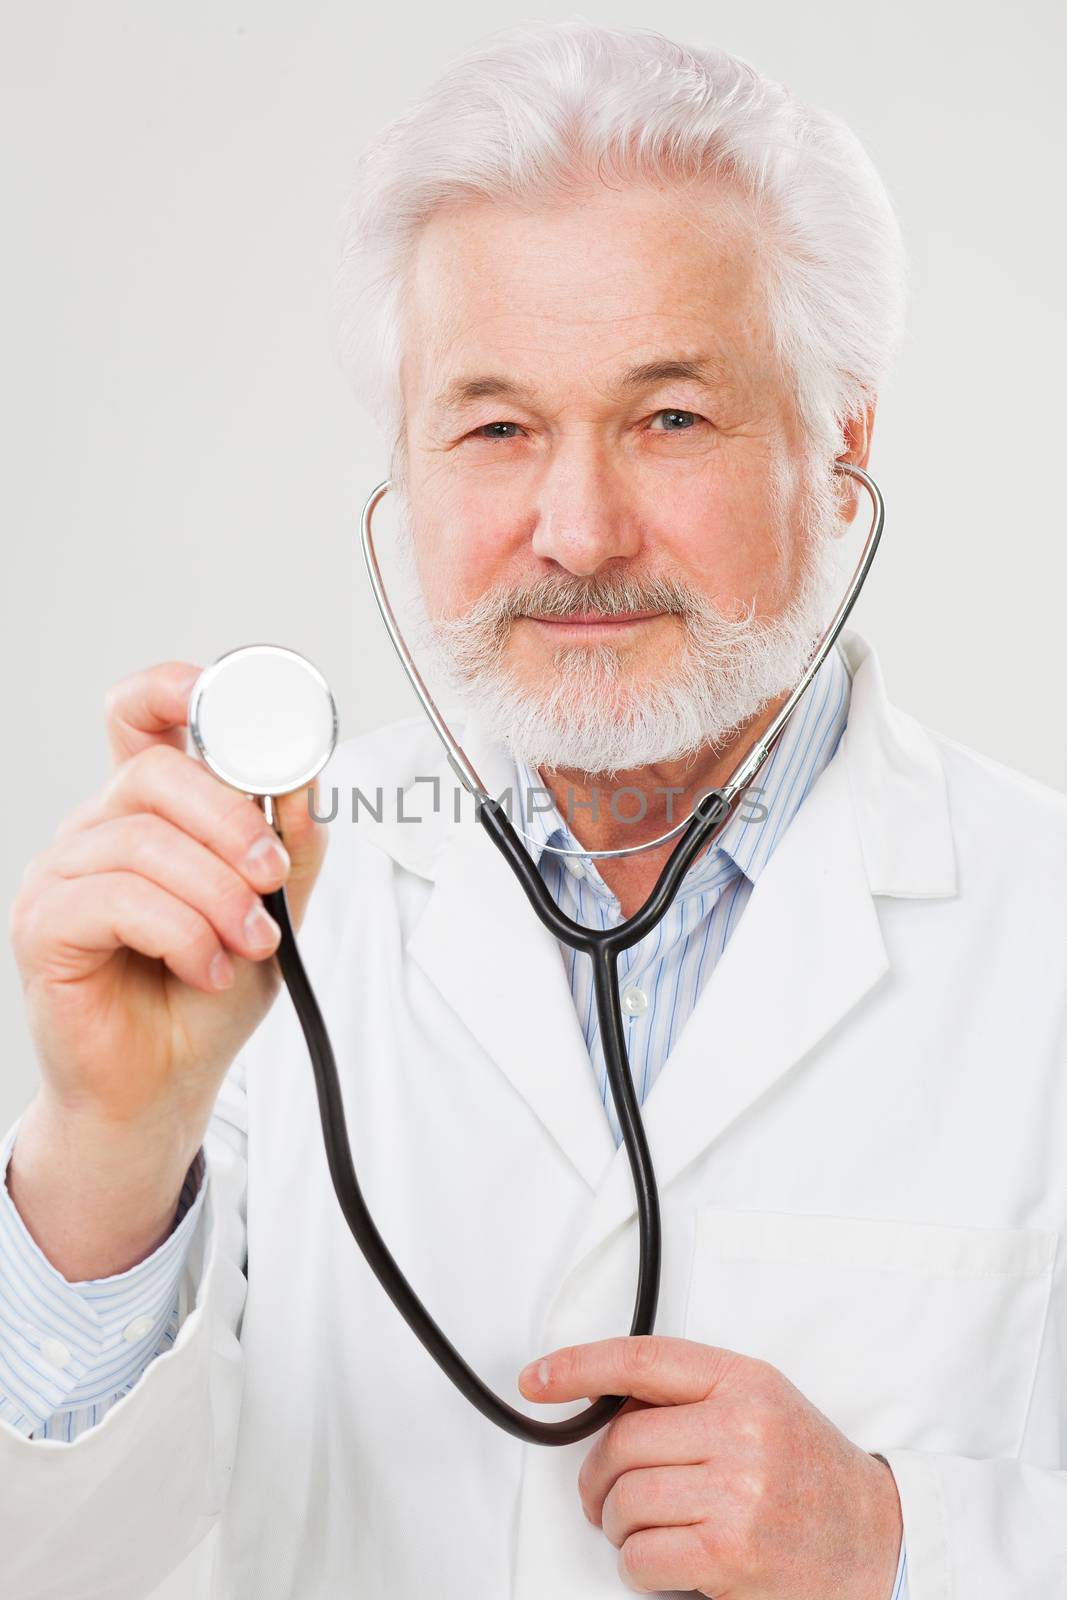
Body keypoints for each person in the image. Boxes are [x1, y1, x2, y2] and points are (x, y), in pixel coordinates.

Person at [2, 20, 1064, 1600]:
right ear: (407, 469)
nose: (575, 529)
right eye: (496, 428)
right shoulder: (246, 904)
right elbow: (64, 1555)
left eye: (671, 418)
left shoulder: (1037, 924)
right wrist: (112, 1138)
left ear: (841, 446)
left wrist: (911, 1542)